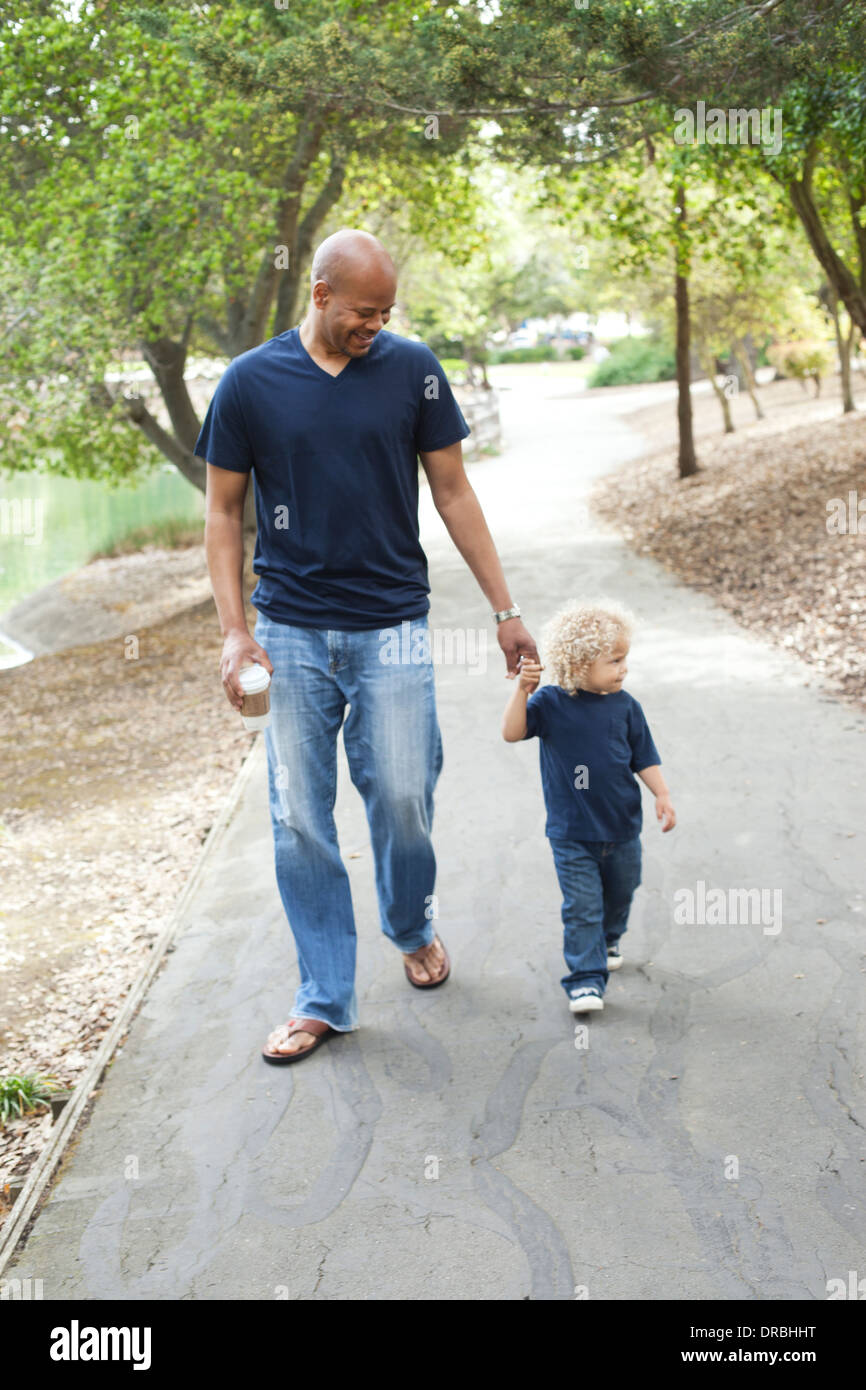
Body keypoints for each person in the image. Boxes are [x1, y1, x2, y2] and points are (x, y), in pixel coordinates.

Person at [196, 227, 538, 1063]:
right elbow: (223, 514)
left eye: (386, 312)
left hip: (391, 626)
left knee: (405, 796)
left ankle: (409, 921)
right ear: (317, 295)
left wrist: (506, 609)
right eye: (362, 311)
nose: (375, 326)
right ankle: (323, 994)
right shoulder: (249, 383)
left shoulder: (413, 369)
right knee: (299, 818)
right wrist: (235, 629)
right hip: (290, 628)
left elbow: (453, 491)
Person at [501, 597, 675, 1014]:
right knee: (582, 908)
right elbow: (511, 733)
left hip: (622, 829)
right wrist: (522, 692)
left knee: (621, 893)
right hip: (571, 833)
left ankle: (611, 935)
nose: (624, 668)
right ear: (578, 665)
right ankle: (584, 980)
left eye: (624, 659)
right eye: (615, 661)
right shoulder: (549, 705)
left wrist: (662, 795)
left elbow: (643, 756)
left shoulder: (626, 706)